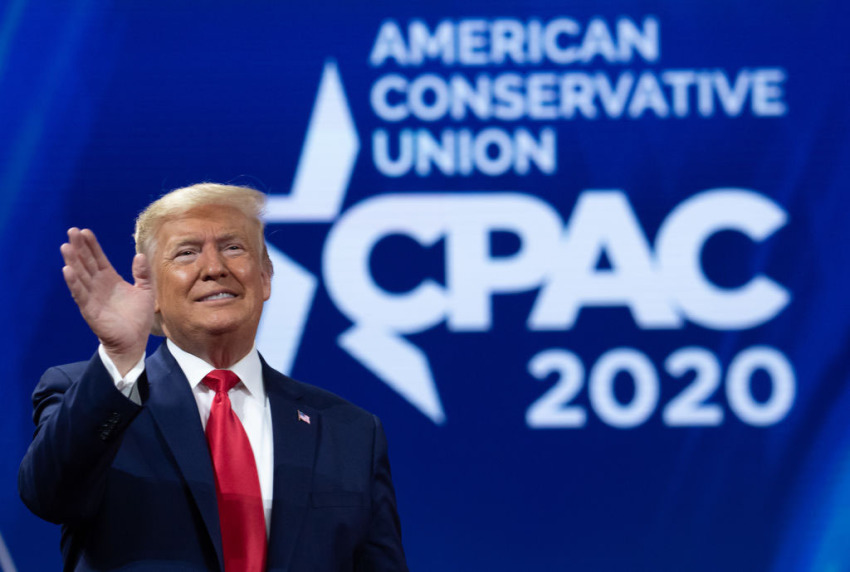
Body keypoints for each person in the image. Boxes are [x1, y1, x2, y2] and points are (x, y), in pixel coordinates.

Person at [18, 183, 409, 572]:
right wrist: (121, 357)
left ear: (266, 276)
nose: (214, 268)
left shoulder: (351, 432)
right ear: (152, 291)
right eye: (186, 253)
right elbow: (49, 496)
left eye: (233, 247)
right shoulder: (96, 399)